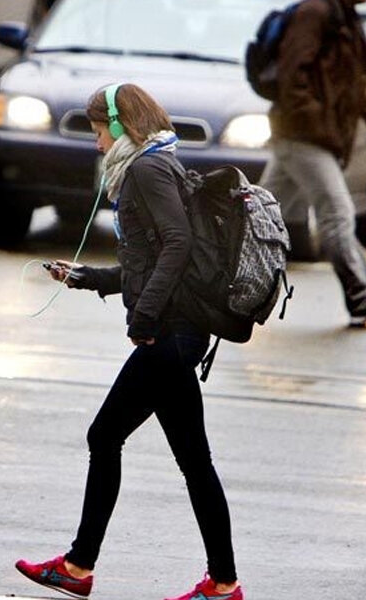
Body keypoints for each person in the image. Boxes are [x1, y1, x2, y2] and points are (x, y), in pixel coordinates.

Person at [14, 83, 243, 600]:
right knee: (194, 460)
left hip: (169, 334)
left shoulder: (145, 169)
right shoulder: (158, 162)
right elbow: (148, 260)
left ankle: (77, 567)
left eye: (99, 130)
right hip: (179, 331)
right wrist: (85, 278)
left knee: (104, 437)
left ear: (120, 125)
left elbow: (178, 243)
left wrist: (144, 317)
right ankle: (223, 584)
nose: (96, 144)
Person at [259, 0, 366, 326]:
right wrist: (311, 119)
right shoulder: (315, 13)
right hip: (304, 137)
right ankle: (362, 297)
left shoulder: (343, 16)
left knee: (259, 216)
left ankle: (215, 280)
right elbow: (291, 73)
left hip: (309, 135)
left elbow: (349, 84)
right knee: (337, 214)